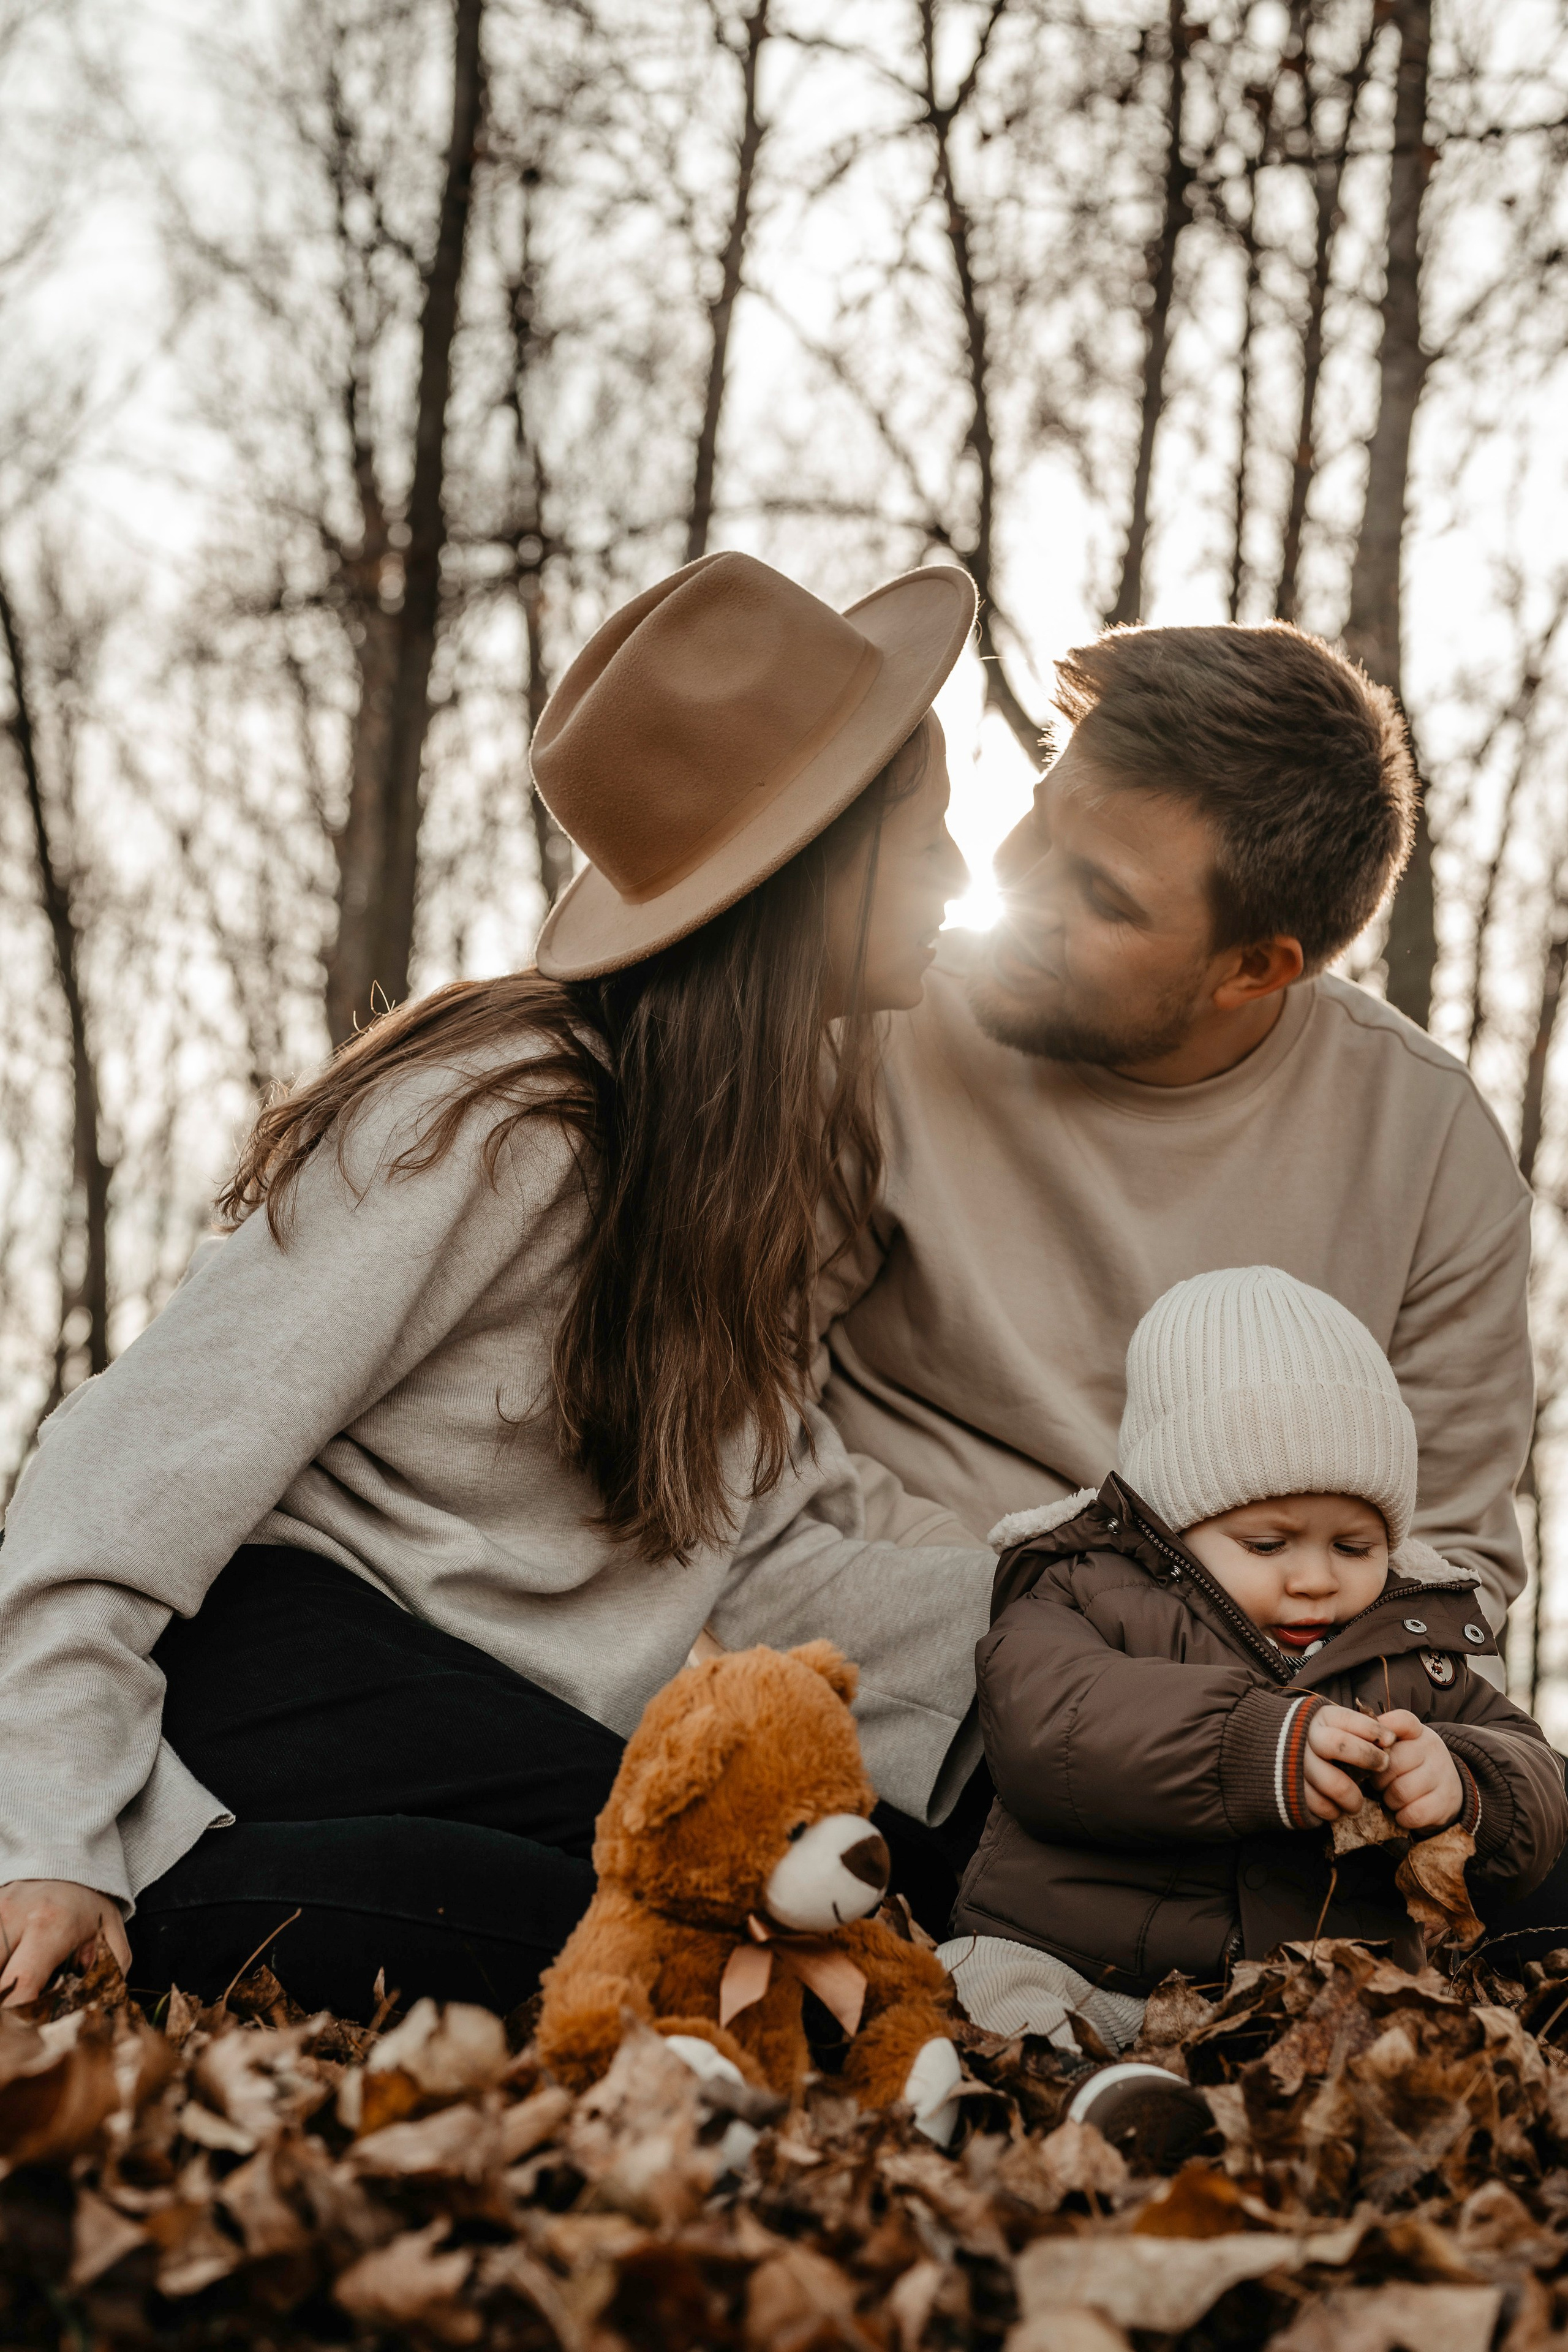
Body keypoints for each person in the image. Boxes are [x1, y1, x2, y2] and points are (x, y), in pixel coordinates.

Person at [0, 550, 1001, 2016]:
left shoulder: (729, 1158)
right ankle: (166, 1901)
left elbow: (764, 1539)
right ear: (808, 870)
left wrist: (1060, 1603)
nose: (963, 880)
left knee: (868, 1873)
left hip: (490, 1714)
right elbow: (125, 1459)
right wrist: (45, 1825)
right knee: (677, 1935)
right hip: (277, 1678)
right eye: (925, 836)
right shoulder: (500, 1122)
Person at [816, 621, 1533, 1658]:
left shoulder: (1430, 1151)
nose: (1015, 892)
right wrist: (1032, 1632)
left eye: (1101, 896)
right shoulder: (876, 1030)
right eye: (1037, 822)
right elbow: (739, 1429)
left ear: (1255, 969)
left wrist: (1253, 1728)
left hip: (1257, 1732)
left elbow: (1450, 1552)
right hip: (893, 1658)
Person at [939, 1268, 1568, 2109]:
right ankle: (1086, 2101)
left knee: (1415, 2053)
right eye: (1268, 1544)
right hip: (1089, 1963)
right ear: (1179, 1523)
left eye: (1354, 1546)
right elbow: (1050, 1724)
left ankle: (1301, 2132)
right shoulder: (1085, 1589)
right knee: (982, 1986)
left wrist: (1464, 1782)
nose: (1315, 1579)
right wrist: (1254, 1747)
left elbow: (1534, 1768)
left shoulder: (1417, 1636)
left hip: (1314, 2001)